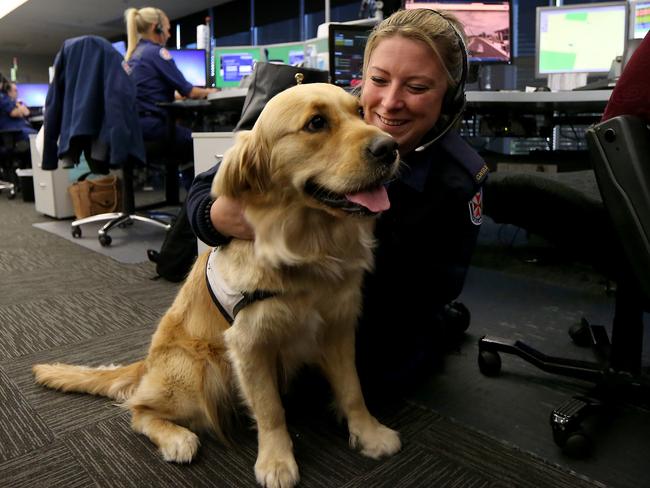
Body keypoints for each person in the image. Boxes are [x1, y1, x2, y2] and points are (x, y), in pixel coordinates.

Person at [185, 9, 489, 395]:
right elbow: (204, 189)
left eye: (416, 87)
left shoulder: (457, 180)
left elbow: (428, 292)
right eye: (378, 80)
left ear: (449, 97)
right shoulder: (330, 114)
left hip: (375, 329)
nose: (390, 103)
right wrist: (218, 216)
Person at [123, 7, 215, 164]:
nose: (169, 34)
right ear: (156, 27)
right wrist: (212, 91)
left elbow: (148, 93)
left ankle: (188, 183)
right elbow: (190, 91)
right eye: (167, 29)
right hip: (154, 129)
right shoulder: (156, 53)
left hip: (134, 128)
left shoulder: (133, 56)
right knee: (203, 146)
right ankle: (199, 187)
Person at [0, 77, 37, 144]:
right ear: (8, 91)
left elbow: (26, 112)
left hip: (19, 129)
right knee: (36, 136)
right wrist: (20, 109)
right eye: (15, 90)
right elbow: (14, 113)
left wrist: (19, 107)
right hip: (12, 132)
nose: (17, 93)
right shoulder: (3, 98)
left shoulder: (12, 101)